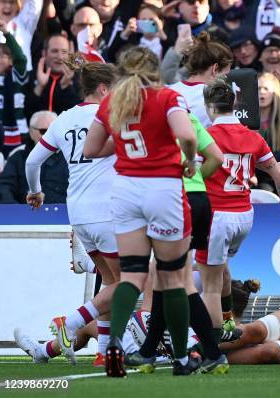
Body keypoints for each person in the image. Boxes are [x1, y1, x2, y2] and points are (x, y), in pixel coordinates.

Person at [83, 46, 199, 377]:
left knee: (133, 275)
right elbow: (187, 135)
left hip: (125, 189)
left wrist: (122, 146)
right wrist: (189, 161)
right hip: (162, 188)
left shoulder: (112, 102)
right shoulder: (166, 97)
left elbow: (91, 148)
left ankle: (116, 342)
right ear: (154, 70)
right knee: (173, 276)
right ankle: (180, 357)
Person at [24, 55, 120, 367]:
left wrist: (36, 191)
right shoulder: (112, 115)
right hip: (109, 209)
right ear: (104, 89)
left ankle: (104, 352)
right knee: (128, 282)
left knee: (108, 282)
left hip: (78, 212)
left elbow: (31, 162)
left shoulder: (63, 119)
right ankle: (72, 323)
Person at [199, 77, 280, 352]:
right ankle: (228, 322)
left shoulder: (206, 135)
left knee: (210, 286)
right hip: (244, 215)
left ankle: (212, 349)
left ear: (209, 107)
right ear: (235, 105)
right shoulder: (253, 136)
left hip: (218, 216)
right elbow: (279, 176)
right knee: (223, 272)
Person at [0, 111, 67, 204]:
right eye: (43, 131)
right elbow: (3, 187)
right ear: (31, 132)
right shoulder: (18, 158)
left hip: (61, 215)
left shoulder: (70, 159)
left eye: (53, 131)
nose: (49, 136)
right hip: (24, 216)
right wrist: (16, 211)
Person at [24, 34, 80, 118]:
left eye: (64, 52)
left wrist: (66, 87)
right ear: (44, 53)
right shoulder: (32, 75)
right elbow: (27, 112)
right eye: (54, 51)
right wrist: (39, 87)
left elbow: (76, 115)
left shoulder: (78, 78)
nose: (60, 57)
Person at [0, 17, 28, 157]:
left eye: (3, 55)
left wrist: (7, 34)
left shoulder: (16, 78)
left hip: (17, 136)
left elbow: (21, 58)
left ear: (10, 61)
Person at [0, 0, 42, 71]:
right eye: (3, 1)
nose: (8, 6)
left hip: (21, 79)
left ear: (17, 5)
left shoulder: (24, 23)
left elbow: (35, 3)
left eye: (12, 2)